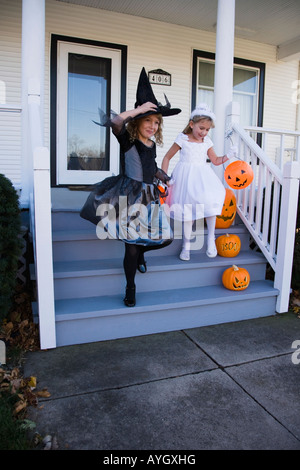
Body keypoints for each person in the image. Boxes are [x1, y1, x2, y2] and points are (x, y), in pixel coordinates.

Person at [80, 68, 181, 307]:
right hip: (130, 196)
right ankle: (130, 287)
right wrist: (139, 109)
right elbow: (115, 122)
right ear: (138, 121)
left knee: (165, 238)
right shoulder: (128, 141)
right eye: (148, 120)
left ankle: (143, 253)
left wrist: (164, 176)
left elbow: (152, 165)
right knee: (131, 247)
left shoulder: (152, 144)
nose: (153, 125)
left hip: (150, 195)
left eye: (156, 122)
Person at [161, 103, 237, 261]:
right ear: (191, 124)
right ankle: (186, 246)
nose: (204, 132)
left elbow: (215, 160)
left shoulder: (207, 142)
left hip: (202, 176)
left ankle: (211, 239)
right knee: (188, 212)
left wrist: (228, 155)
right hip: (185, 177)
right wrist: (164, 177)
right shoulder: (182, 138)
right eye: (201, 128)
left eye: (207, 130)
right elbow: (167, 157)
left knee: (210, 205)